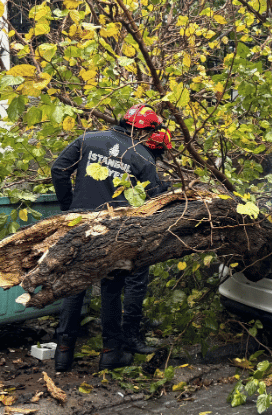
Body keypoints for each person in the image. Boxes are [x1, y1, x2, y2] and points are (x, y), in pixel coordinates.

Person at [50, 104, 172, 371]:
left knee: (74, 286)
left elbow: (58, 170)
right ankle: (109, 352)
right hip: (116, 231)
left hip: (80, 224)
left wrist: (69, 207)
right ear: (144, 130)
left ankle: (63, 354)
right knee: (111, 290)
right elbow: (153, 201)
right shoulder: (143, 157)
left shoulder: (88, 139)